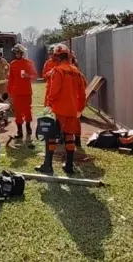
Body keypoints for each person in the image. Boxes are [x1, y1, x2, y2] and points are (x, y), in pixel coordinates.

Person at [36, 44, 87, 175]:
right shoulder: (77, 72)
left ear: (56, 57)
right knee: (69, 137)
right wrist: (80, 108)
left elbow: (54, 90)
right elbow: (82, 93)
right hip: (72, 110)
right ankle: (69, 165)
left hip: (58, 110)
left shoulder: (58, 71)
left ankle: (48, 165)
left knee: (51, 137)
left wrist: (49, 104)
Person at [7, 44, 37, 140]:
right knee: (18, 112)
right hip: (16, 92)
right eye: (15, 53)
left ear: (22, 53)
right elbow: (10, 79)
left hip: (27, 92)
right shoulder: (12, 64)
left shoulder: (29, 63)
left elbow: (35, 76)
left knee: (27, 111)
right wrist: (9, 92)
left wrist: (28, 76)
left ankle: (28, 128)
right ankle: (19, 131)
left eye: (18, 52)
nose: (16, 54)